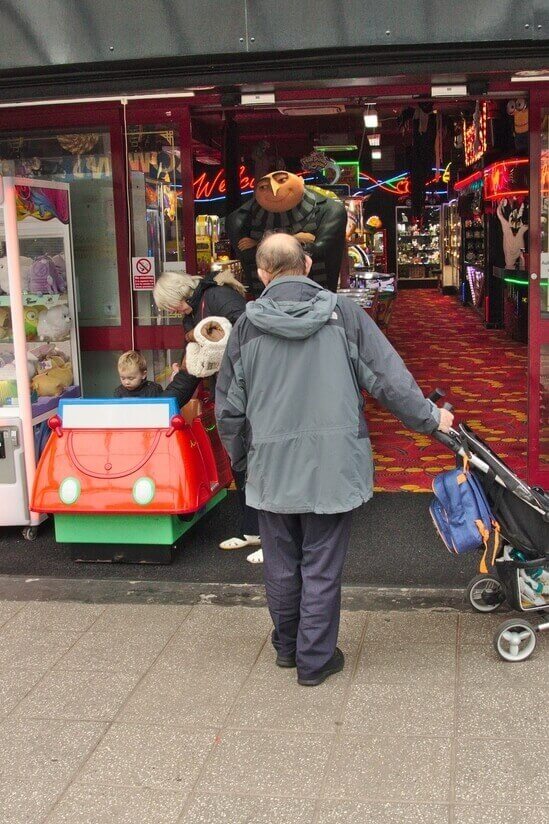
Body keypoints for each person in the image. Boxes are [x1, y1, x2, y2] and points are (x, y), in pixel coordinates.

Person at [215, 233, 454, 687]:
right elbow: (389, 379)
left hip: (271, 464)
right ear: (305, 265)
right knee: (321, 564)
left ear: (262, 274)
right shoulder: (343, 314)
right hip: (334, 464)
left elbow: (228, 407)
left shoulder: (245, 326)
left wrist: (241, 461)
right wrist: (429, 418)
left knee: (282, 563)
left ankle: (288, 648)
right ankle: (315, 660)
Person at [153, 269, 262, 561]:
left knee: (258, 461)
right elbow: (192, 369)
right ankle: (253, 530)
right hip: (231, 392)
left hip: (251, 390)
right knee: (240, 459)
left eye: (170, 305)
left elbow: (251, 332)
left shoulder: (216, 297)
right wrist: (165, 405)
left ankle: (274, 537)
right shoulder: (196, 310)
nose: (172, 312)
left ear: (179, 295)